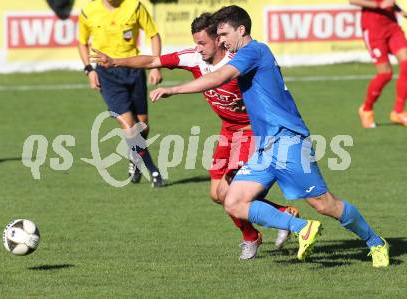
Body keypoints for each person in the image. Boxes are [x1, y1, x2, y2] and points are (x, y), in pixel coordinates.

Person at [149, 5, 389, 267]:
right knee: (233, 201)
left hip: (288, 142)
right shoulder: (244, 53)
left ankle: (376, 242)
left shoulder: (254, 51)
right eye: (218, 36)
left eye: (224, 34)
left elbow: (219, 77)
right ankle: (301, 227)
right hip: (266, 147)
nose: (222, 41)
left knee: (325, 204)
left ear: (241, 30)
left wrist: (174, 90)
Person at [91, 13, 300, 259]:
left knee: (230, 192)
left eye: (202, 43)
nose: (197, 49)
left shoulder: (239, 60)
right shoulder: (192, 57)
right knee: (216, 195)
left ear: (219, 40)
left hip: (252, 132)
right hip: (228, 131)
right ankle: (280, 217)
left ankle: (252, 237)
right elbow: (153, 60)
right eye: (196, 43)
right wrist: (115, 62)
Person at [78, 0, 164, 187]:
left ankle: (135, 158)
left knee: (143, 126)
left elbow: (154, 35)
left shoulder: (134, 6)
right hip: (107, 75)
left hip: (133, 69)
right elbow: (82, 42)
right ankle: (154, 171)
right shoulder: (88, 11)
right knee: (130, 126)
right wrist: (89, 70)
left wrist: (156, 66)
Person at [351, 0, 407, 128]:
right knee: (385, 74)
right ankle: (366, 109)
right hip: (373, 29)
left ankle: (398, 111)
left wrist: (399, 11)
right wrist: (379, 5)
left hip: (392, 26)